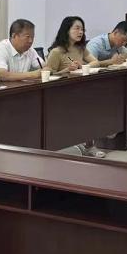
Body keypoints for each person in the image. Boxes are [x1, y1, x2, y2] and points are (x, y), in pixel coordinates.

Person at [45, 16, 104, 158]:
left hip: (79, 89)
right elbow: (48, 74)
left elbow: (95, 62)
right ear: (66, 30)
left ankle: (90, 145)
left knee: (93, 108)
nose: (80, 32)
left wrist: (82, 66)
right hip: (61, 93)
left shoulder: (80, 48)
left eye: (82, 29)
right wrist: (67, 70)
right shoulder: (56, 51)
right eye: (77, 28)